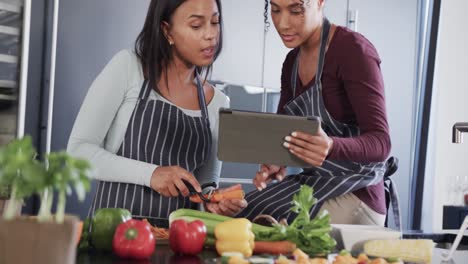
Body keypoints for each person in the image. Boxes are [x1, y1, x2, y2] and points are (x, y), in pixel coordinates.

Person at [67, 0, 247, 227]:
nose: (210, 35)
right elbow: (78, 153)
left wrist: (213, 204)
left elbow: (204, 187)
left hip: (180, 243)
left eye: (215, 22)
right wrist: (152, 174)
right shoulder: (128, 68)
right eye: (196, 25)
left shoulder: (218, 102)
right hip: (112, 235)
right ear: (166, 30)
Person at [237, 0, 393, 226]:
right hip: (316, 185)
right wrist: (277, 161)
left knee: (259, 228)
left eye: (295, 10)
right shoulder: (292, 63)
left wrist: (330, 146)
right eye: (275, 10)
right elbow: (284, 134)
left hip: (358, 193)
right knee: (244, 211)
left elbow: (381, 142)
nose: (282, 24)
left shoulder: (353, 51)